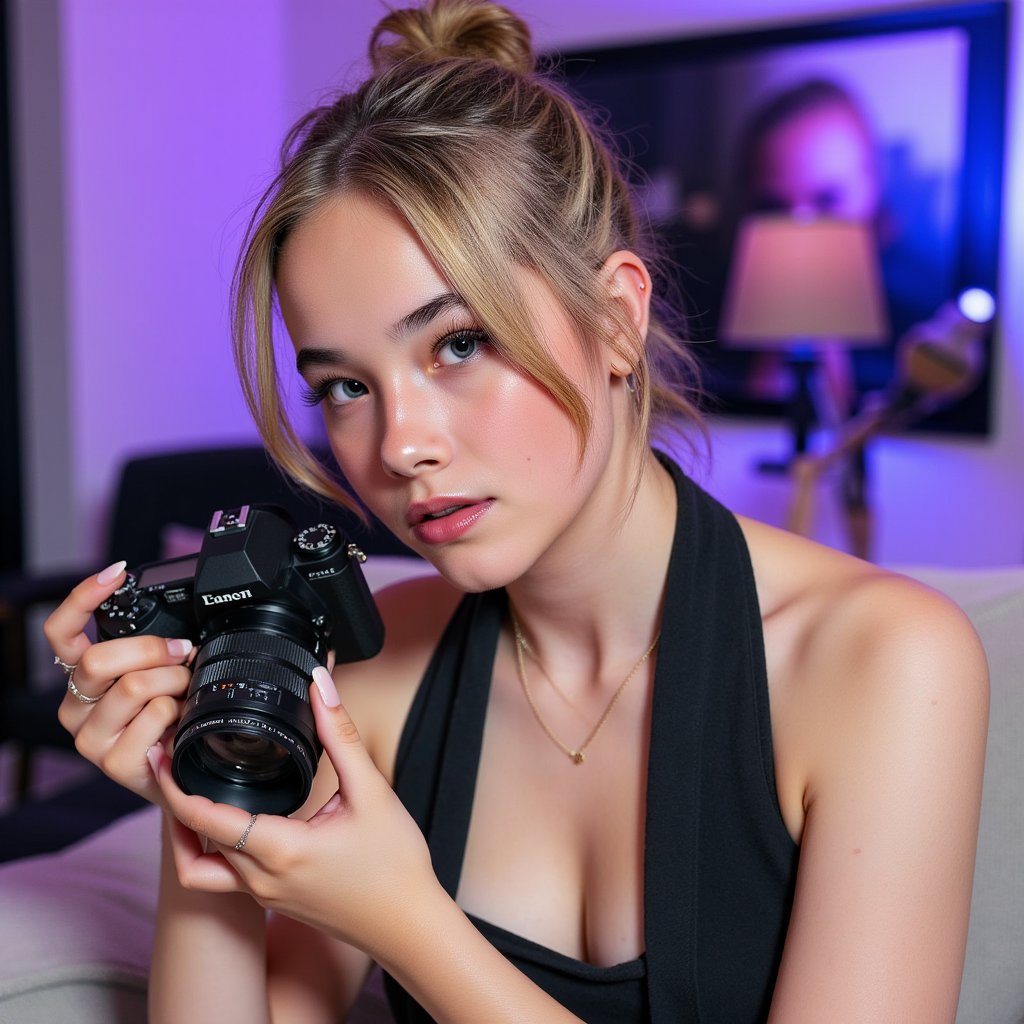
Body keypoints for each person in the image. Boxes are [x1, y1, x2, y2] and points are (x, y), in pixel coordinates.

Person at [44, 2, 988, 1021]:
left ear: (616, 319)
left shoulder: (882, 663)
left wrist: (408, 923)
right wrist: (210, 798)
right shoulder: (370, 673)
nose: (398, 444)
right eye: (343, 386)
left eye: (456, 344)